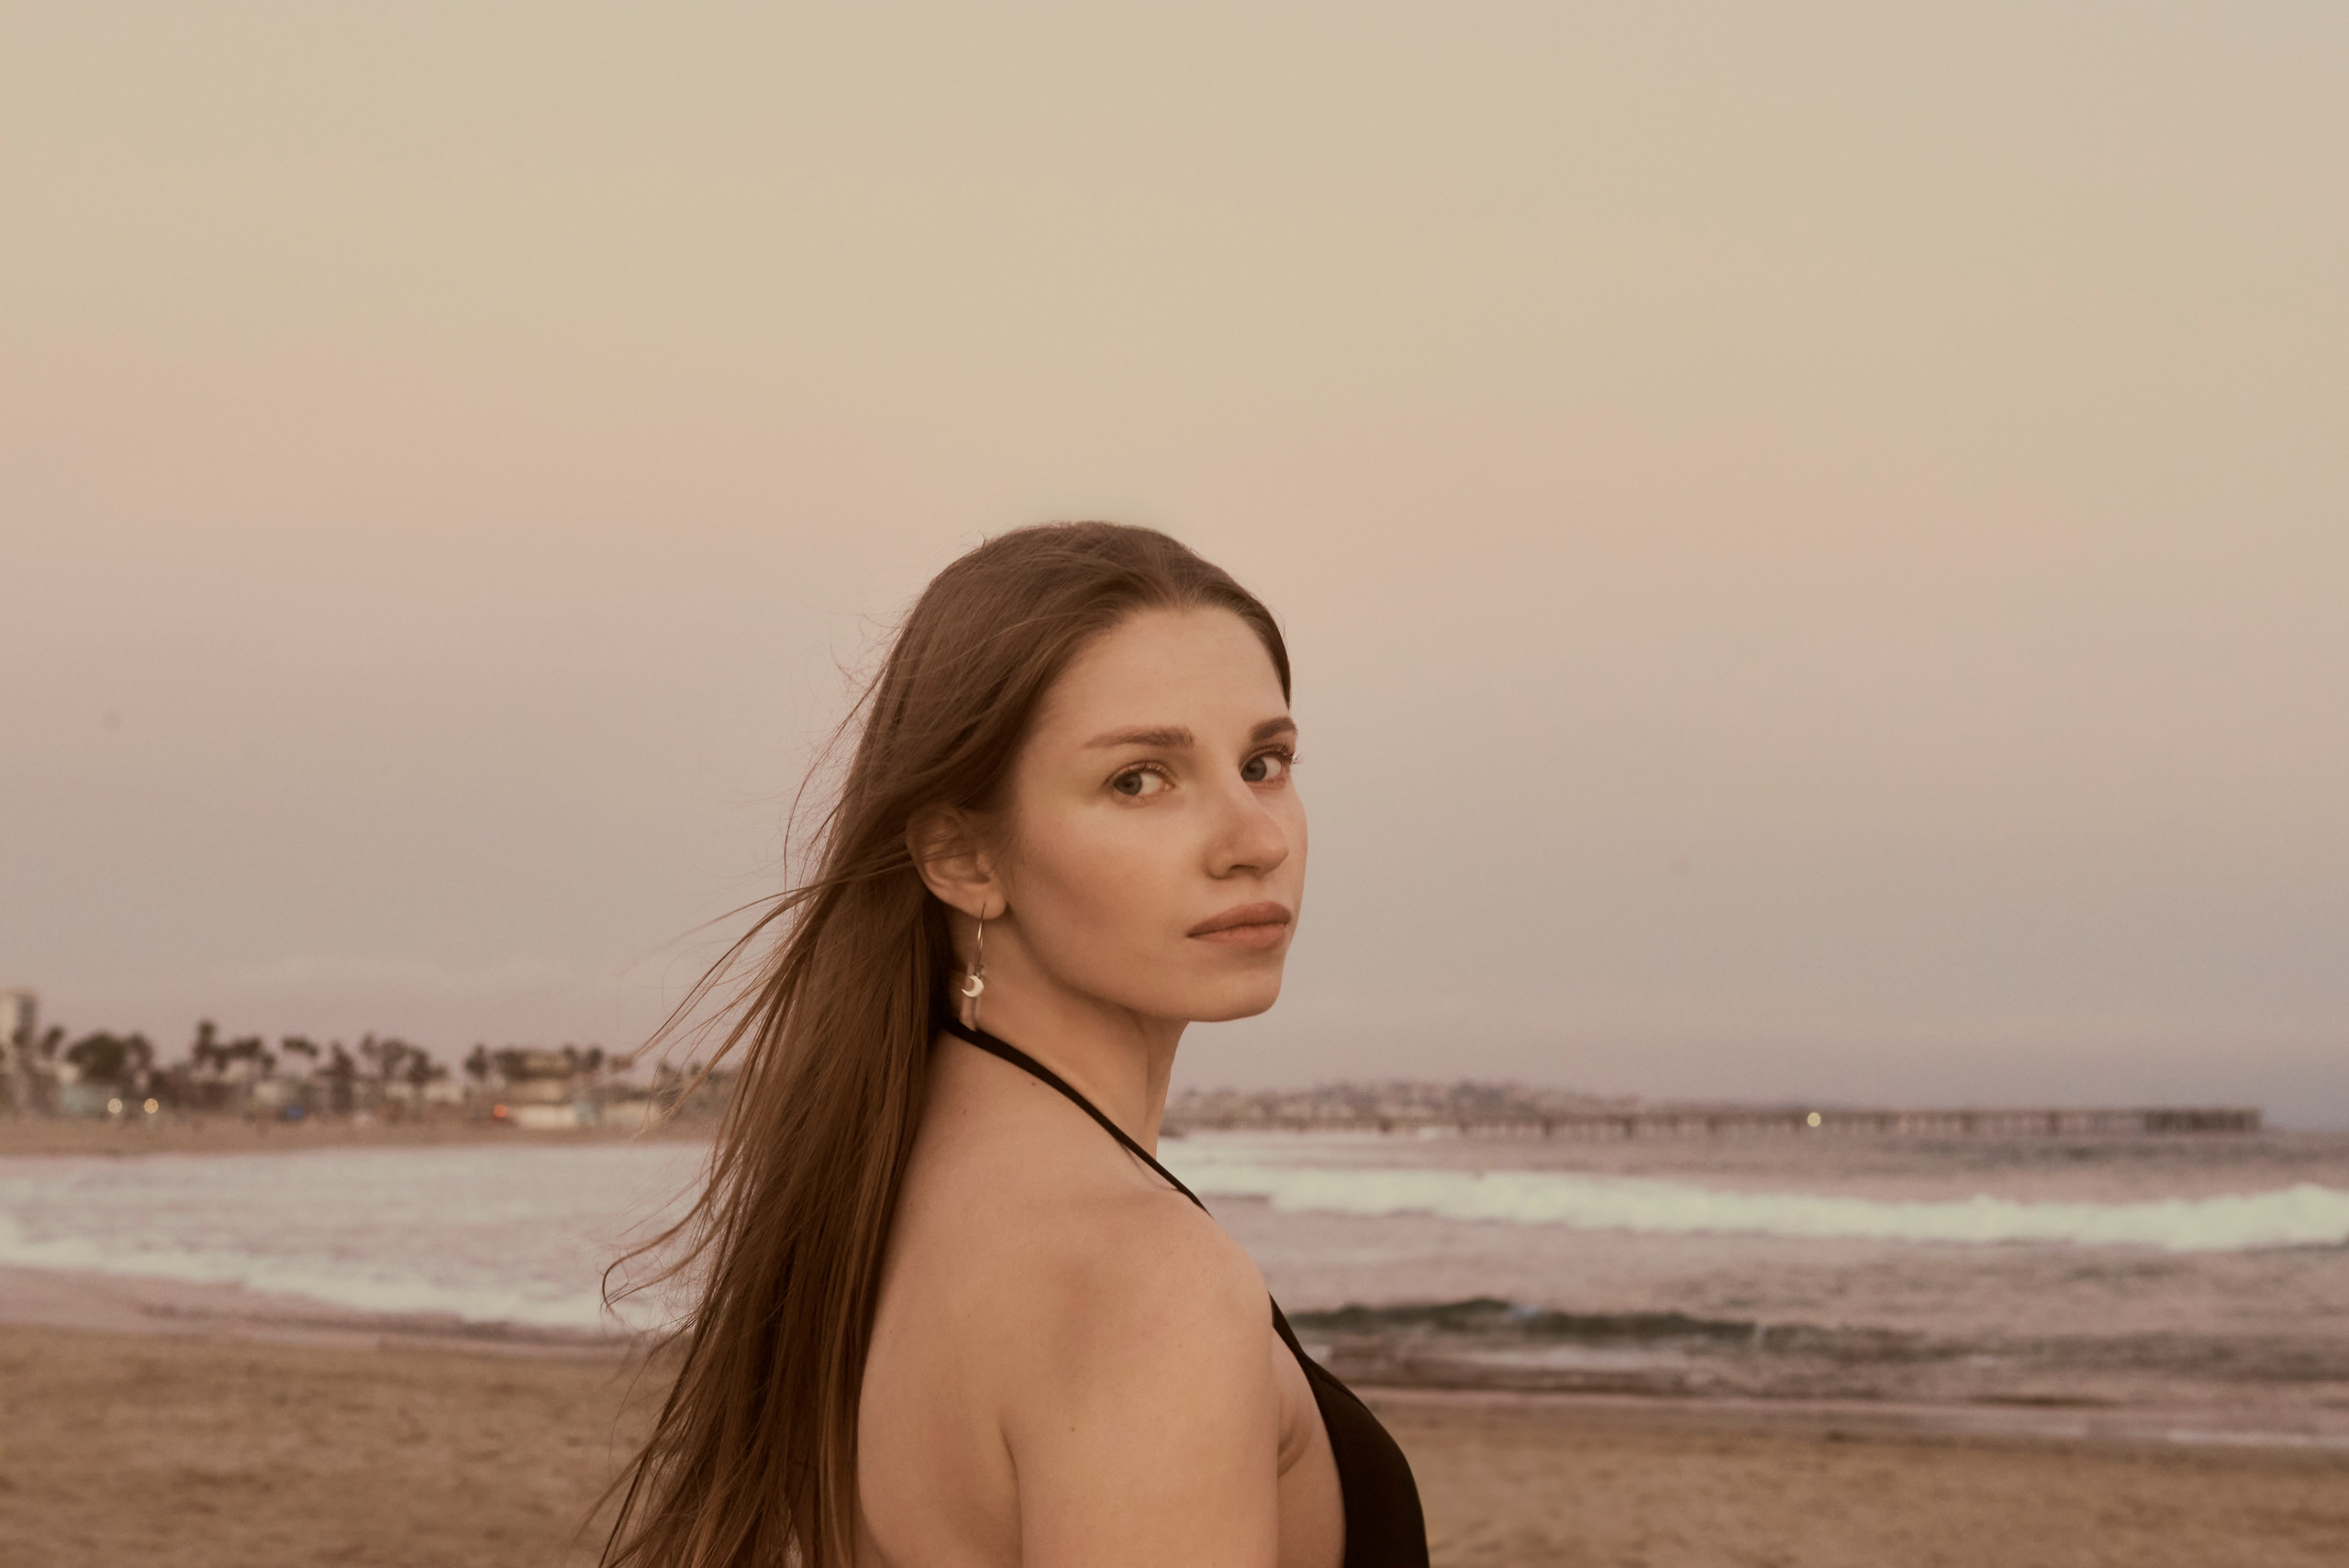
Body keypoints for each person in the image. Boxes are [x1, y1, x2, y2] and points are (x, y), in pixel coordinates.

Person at [604, 523, 1427, 1568]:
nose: (1254, 839)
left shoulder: (877, 1189)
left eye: (1263, 762)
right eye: (1139, 778)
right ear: (961, 855)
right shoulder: (1142, 1279)